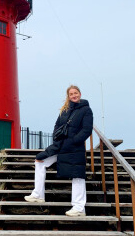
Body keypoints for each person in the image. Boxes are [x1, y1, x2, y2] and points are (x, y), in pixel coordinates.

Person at [24, 85, 93, 216]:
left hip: (74, 147)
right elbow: (57, 126)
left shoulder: (86, 110)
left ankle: (79, 208)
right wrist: (57, 137)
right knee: (40, 160)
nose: (74, 95)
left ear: (80, 93)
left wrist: (74, 140)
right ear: (68, 96)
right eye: (71, 94)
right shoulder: (65, 110)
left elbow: (87, 129)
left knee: (77, 174)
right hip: (60, 145)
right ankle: (38, 195)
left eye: (76, 93)